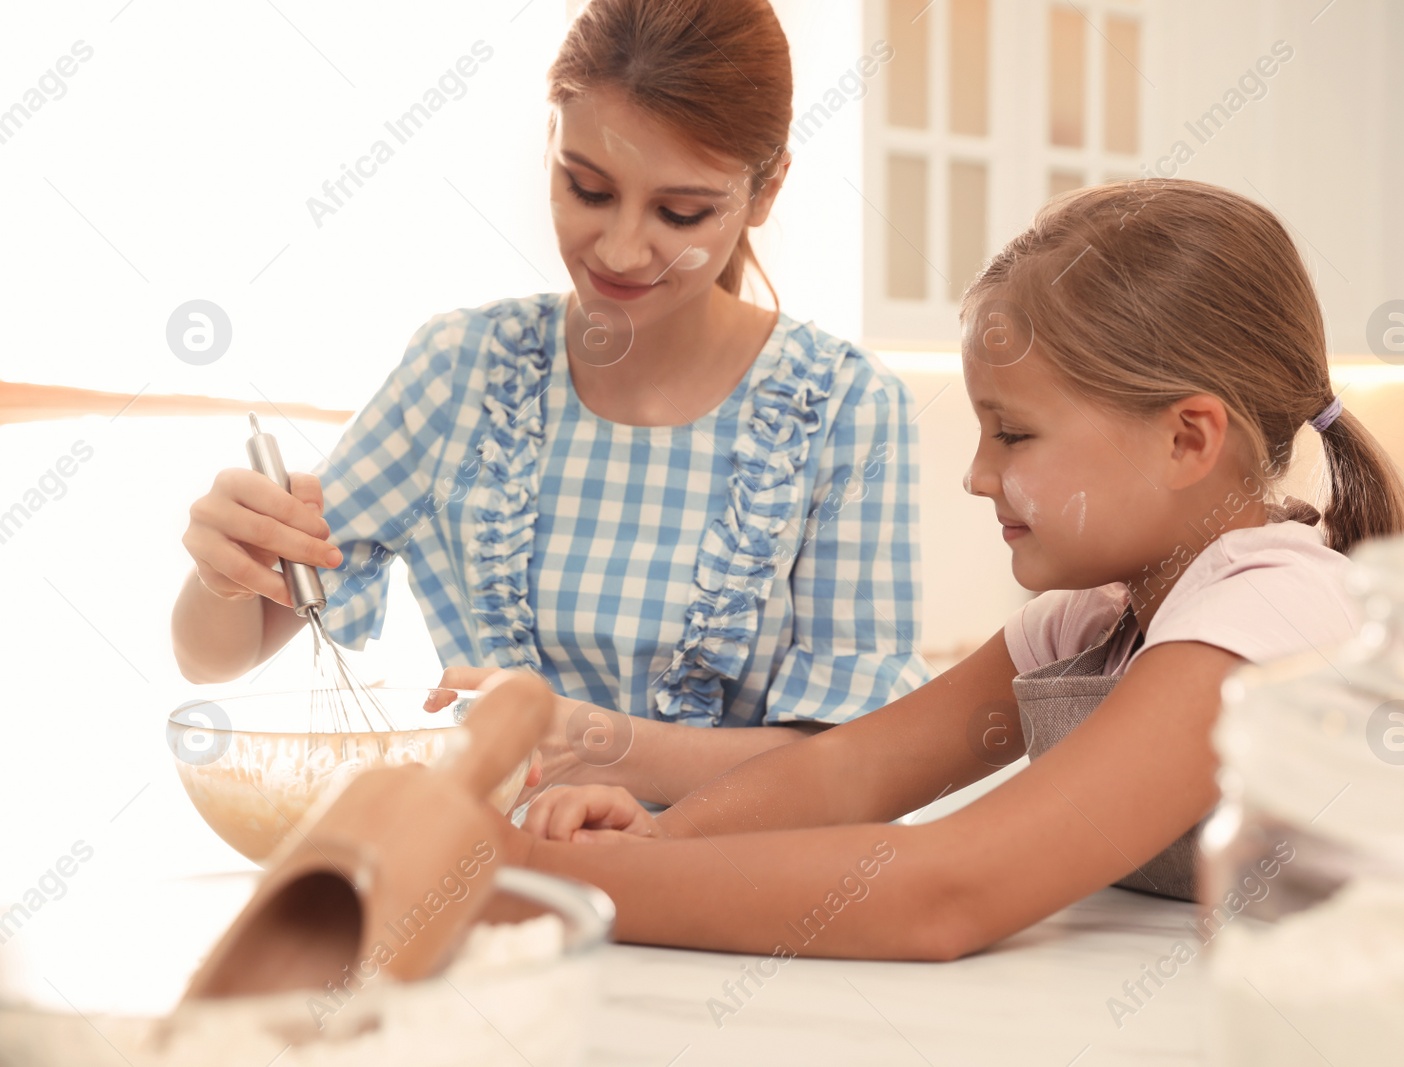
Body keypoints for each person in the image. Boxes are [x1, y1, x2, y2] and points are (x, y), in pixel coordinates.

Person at [499, 179, 1404, 960]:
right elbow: (855, 772)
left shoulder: (1269, 614)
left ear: (1187, 438)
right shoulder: (1100, 618)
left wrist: (542, 879)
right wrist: (660, 835)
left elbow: (952, 889)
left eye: (1014, 434)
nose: (979, 475)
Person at [170, 0, 930, 804]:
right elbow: (217, 653)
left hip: (729, 904)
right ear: (550, 142)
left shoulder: (845, 410)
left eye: (680, 213)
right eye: (588, 188)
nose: (620, 249)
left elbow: (856, 764)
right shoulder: (462, 372)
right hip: (495, 883)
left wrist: (599, 745)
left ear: (767, 187)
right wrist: (224, 573)